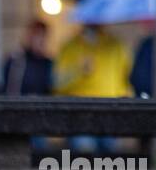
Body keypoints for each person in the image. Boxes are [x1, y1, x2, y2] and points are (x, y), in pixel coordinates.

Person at [53, 23, 131, 153]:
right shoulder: (70, 46)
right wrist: (78, 70)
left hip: (110, 112)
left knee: (110, 157)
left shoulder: (116, 45)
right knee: (85, 154)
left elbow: (125, 77)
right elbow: (57, 83)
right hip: (81, 113)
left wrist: (125, 98)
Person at [0, 20, 53, 96]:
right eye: (36, 35)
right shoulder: (16, 61)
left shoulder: (47, 63)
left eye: (43, 36)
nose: (40, 40)